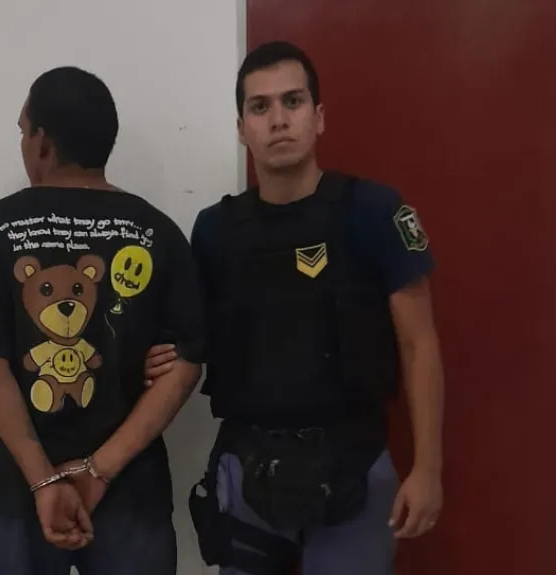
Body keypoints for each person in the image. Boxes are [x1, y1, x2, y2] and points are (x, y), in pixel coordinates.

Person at [143, 41, 445, 575]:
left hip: (354, 462)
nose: (278, 120)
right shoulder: (214, 231)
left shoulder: (373, 211)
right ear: (242, 128)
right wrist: (158, 360)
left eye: (293, 101)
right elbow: (189, 343)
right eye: (260, 107)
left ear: (318, 116)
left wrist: (428, 468)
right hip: (247, 466)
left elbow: (419, 346)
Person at [0, 66, 206, 575]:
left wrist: (43, 480)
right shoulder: (159, 233)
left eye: (24, 131)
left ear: (43, 143)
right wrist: (99, 471)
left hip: (18, 490)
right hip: (129, 489)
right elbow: (184, 366)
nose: (24, 145)